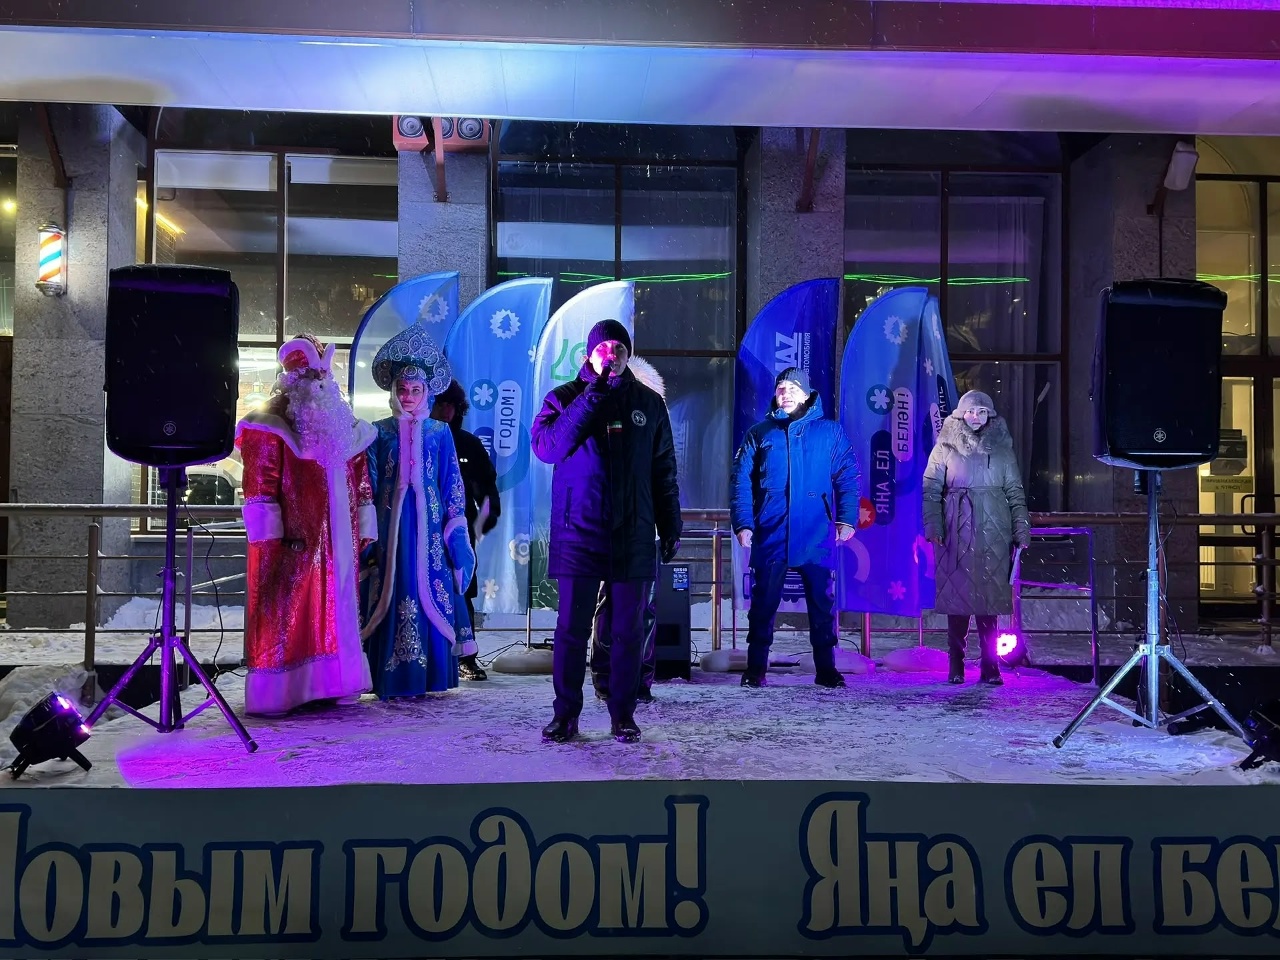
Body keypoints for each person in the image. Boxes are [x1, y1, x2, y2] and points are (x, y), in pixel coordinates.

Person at [531, 319, 682, 744]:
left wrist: (670, 523)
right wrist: (592, 393)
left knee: (628, 631)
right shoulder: (564, 397)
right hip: (578, 531)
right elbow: (547, 447)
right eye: (604, 348)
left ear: (628, 355)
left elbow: (664, 469)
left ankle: (623, 715)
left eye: (619, 348)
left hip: (634, 532)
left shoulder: (648, 404)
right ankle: (565, 714)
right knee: (571, 629)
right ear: (589, 354)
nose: (611, 354)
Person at [237, 334, 377, 717]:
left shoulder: (343, 424)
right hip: (293, 543)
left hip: (340, 543)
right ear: (292, 379)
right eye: (310, 375)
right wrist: (269, 541)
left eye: (323, 376)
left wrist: (365, 527)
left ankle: (337, 682)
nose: (319, 383)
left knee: (337, 610)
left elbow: (360, 479)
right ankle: (279, 692)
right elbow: (260, 488)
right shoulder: (271, 424)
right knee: (287, 616)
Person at [360, 323, 477, 698]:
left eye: (415, 390)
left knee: (430, 587)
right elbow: (368, 485)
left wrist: (457, 536)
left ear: (427, 391)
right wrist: (366, 535)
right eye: (402, 389)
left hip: (430, 533)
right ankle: (387, 676)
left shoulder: (440, 433)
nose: (408, 396)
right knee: (389, 587)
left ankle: (430, 676)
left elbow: (452, 485)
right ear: (393, 390)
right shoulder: (378, 432)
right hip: (390, 531)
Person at [730, 367, 861, 689]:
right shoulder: (759, 433)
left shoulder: (830, 433)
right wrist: (744, 523)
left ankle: (826, 670)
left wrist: (846, 519)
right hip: (772, 531)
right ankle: (755, 670)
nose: (785, 393)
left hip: (816, 533)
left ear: (806, 394)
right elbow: (740, 482)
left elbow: (847, 476)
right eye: (780, 388)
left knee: (822, 606)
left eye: (792, 388)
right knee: (763, 605)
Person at [922, 389, 1031, 686]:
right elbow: (931, 489)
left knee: (988, 603)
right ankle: (955, 663)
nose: (976, 417)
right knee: (957, 601)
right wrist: (934, 526)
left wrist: (1021, 528)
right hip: (955, 528)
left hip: (994, 530)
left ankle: (990, 666)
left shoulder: (1003, 450)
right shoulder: (945, 446)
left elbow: (1015, 491)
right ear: (961, 414)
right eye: (971, 411)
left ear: (990, 416)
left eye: (982, 412)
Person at [588, 355, 667, 705]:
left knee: (644, 609)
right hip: (608, 529)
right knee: (608, 606)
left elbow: (666, 478)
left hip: (645, 532)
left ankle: (640, 679)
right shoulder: (603, 421)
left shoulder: (656, 422)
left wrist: (668, 525)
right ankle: (605, 676)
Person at [430, 379, 501, 682]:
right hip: (419, 529)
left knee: (462, 589)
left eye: (452, 405)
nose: (446, 411)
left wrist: (485, 520)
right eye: (440, 404)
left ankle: (467, 657)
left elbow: (486, 488)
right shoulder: (414, 439)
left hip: (458, 531)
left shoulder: (469, 444)